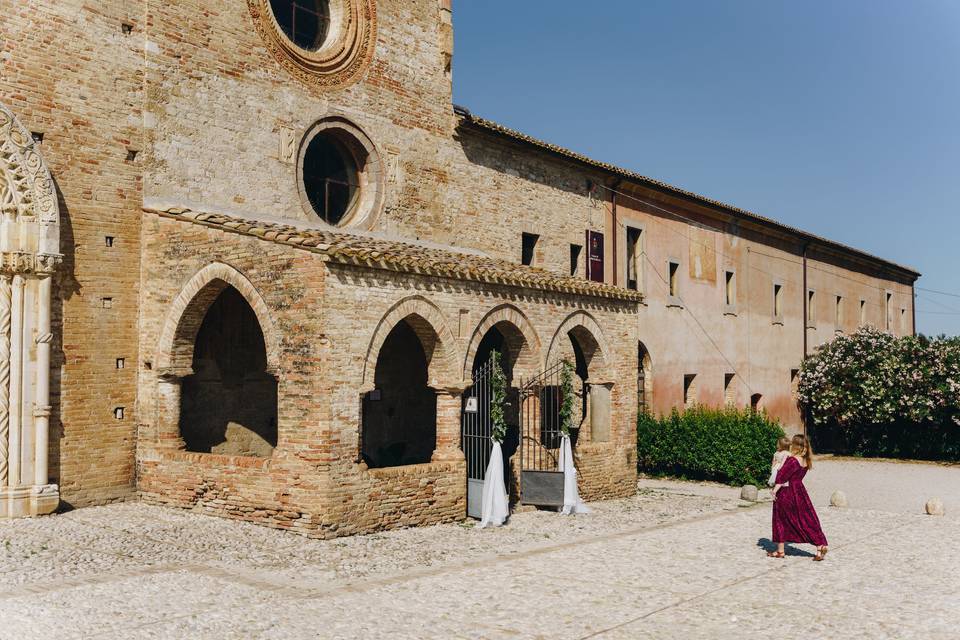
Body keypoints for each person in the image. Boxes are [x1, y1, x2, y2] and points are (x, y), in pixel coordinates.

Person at [767, 434, 829, 561]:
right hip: (800, 492)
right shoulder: (806, 460)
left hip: (787, 492)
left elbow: (782, 477)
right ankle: (820, 546)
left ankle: (780, 551)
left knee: (780, 520)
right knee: (806, 518)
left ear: (795, 445)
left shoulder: (793, 460)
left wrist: (774, 491)